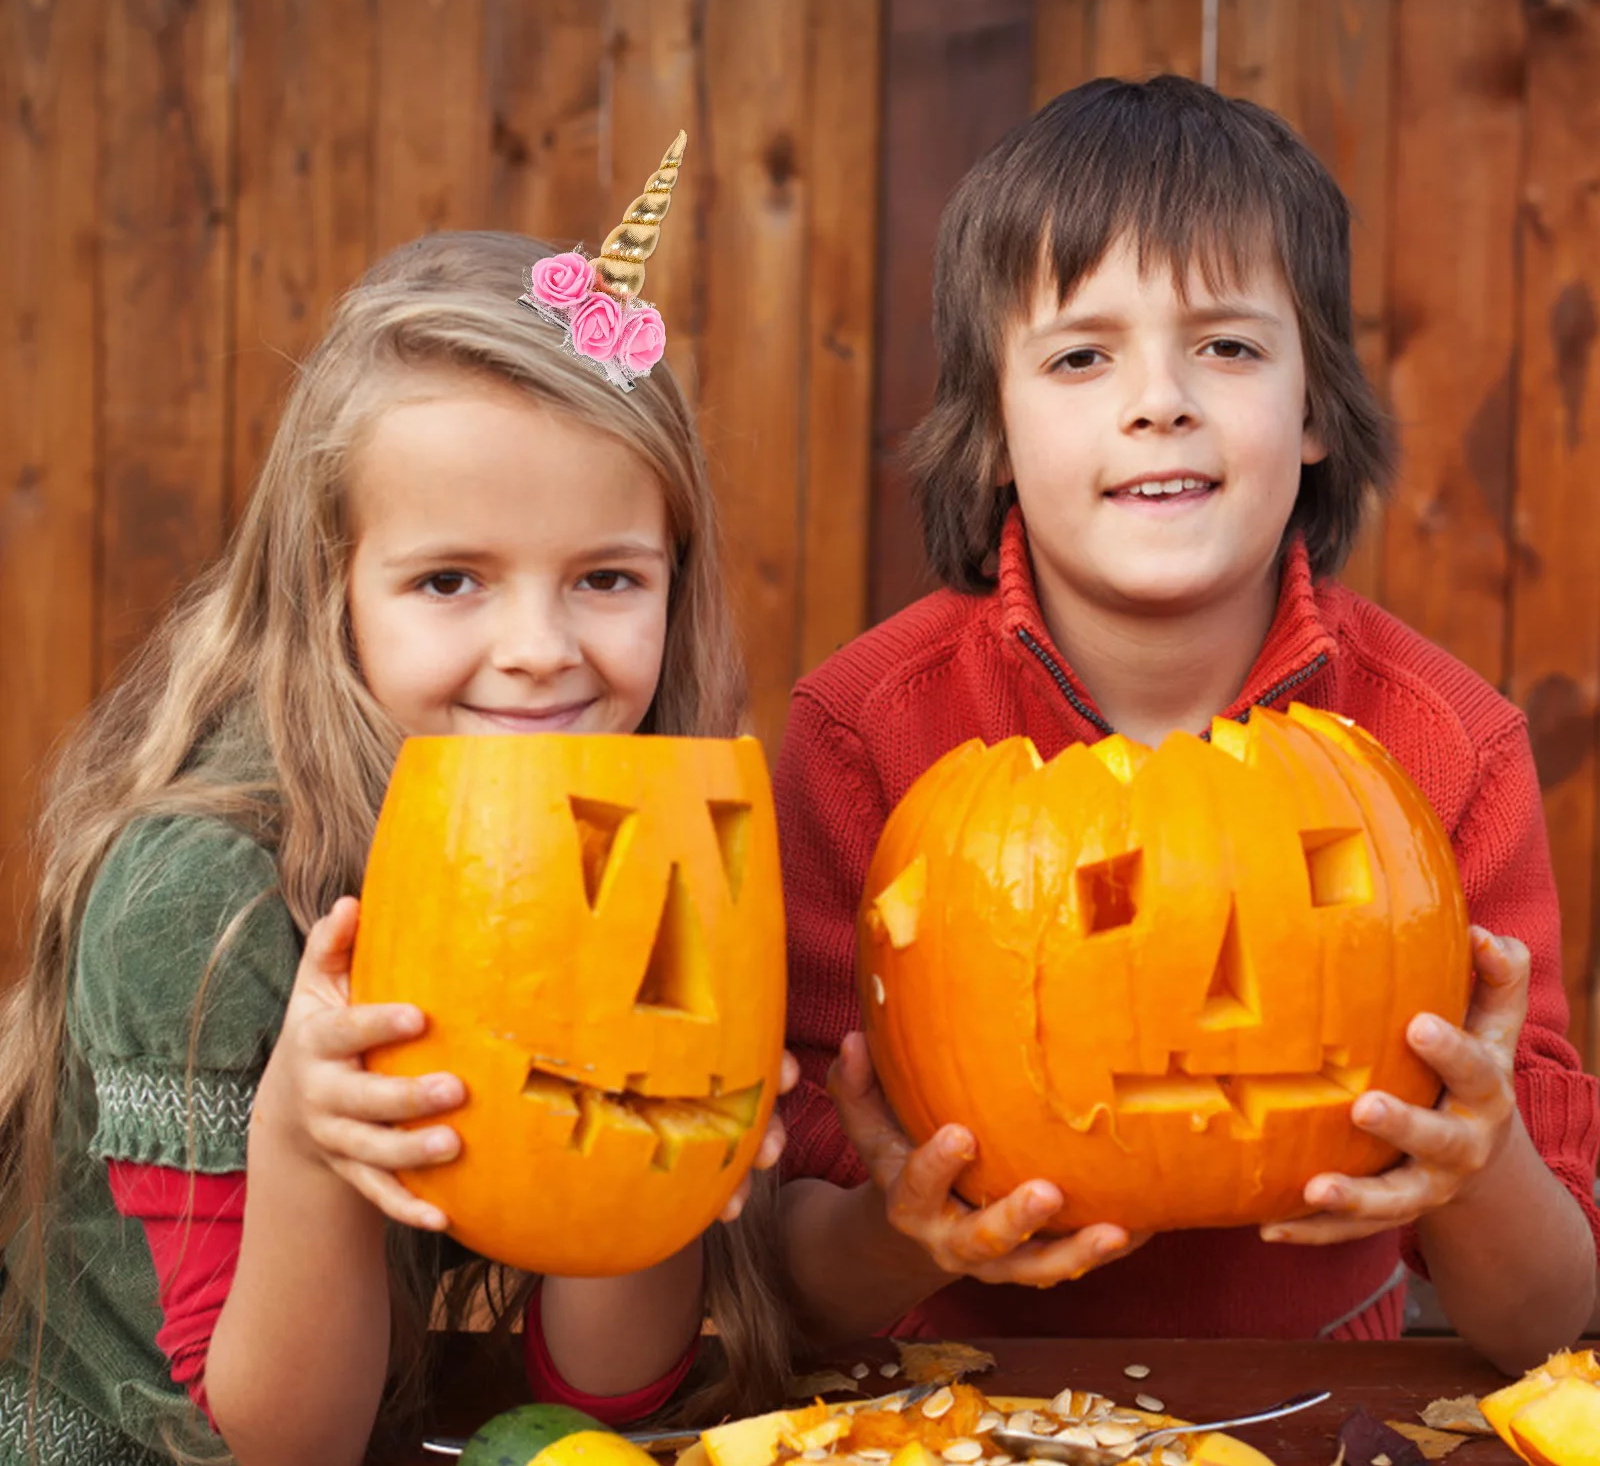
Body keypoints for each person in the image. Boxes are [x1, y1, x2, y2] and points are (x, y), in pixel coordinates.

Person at [774, 75, 1600, 1375]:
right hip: (951, 1412)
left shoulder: (1449, 751)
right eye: (1081, 355)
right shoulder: (862, 733)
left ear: (1318, 410)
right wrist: (910, 1234)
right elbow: (794, 1269)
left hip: (1325, 1413)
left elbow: (1547, 1322)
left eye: (1227, 345)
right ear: (991, 429)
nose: (1159, 400)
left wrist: (1477, 1161)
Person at [0, 211, 795, 1466]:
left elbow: (601, 1390)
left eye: (606, 578)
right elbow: (279, 1449)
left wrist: (660, 1158)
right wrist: (306, 1151)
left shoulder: (645, 854)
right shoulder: (199, 899)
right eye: (449, 581)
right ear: (333, 593)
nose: (538, 648)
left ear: (674, 582)